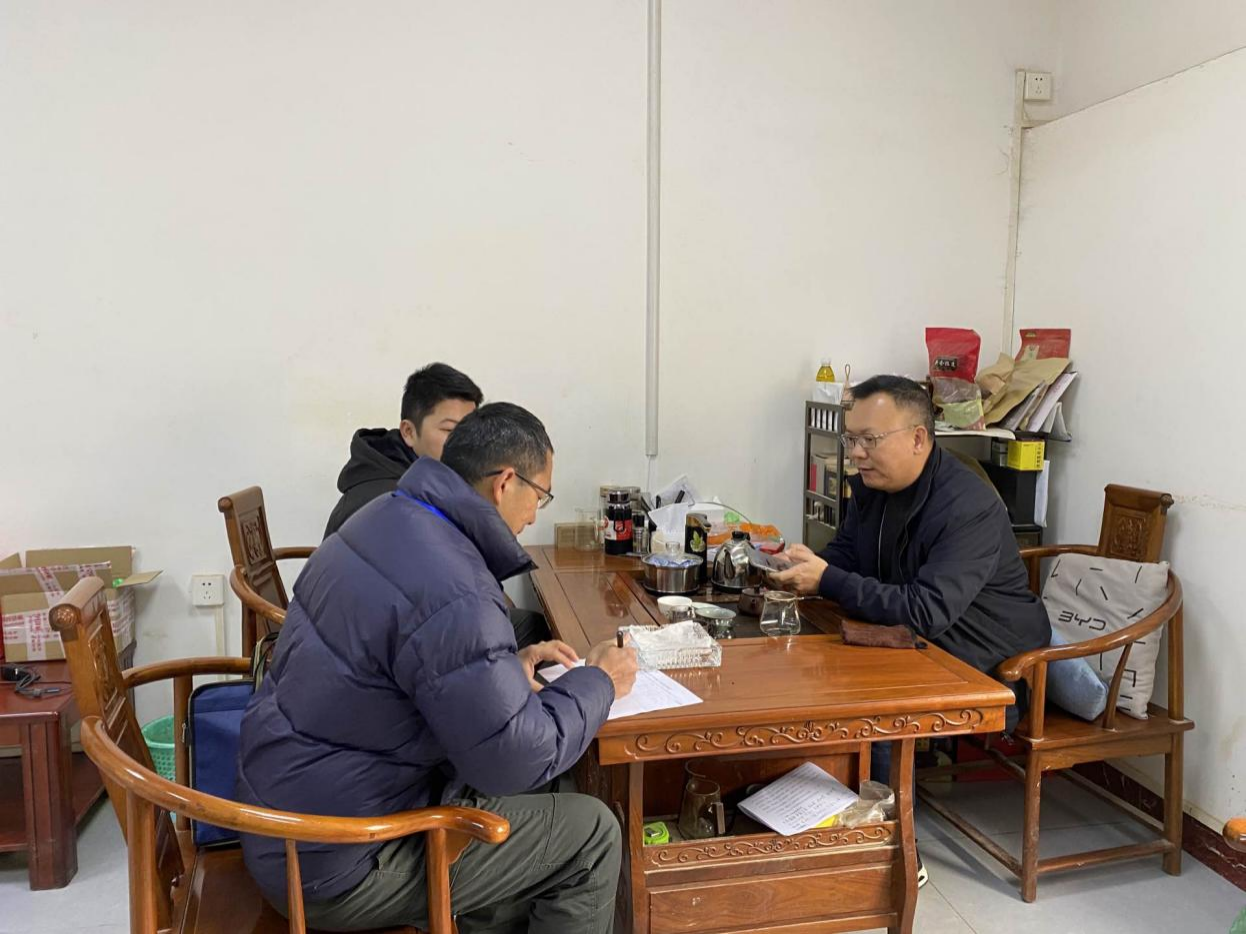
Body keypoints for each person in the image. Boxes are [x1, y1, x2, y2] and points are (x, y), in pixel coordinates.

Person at [238, 402, 638, 933]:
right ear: (505, 483)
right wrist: (599, 681)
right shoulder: (456, 585)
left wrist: (503, 667)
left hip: (280, 813)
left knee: (545, 795)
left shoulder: (381, 517)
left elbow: (403, 669)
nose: (535, 515)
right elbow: (513, 761)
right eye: (540, 496)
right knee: (592, 835)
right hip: (335, 861)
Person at [770, 375, 1051, 886]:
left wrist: (829, 580)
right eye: (851, 439)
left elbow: (927, 610)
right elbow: (848, 554)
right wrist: (806, 568)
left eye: (869, 440)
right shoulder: (874, 487)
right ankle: (816, 813)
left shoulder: (967, 505)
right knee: (813, 657)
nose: (856, 453)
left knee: (876, 691)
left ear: (918, 438)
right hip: (919, 635)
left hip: (988, 658)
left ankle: (895, 850)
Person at [324, 362, 483, 538]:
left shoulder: (438, 486)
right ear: (409, 432)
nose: (465, 442)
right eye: (449, 430)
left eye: (470, 431)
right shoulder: (385, 503)